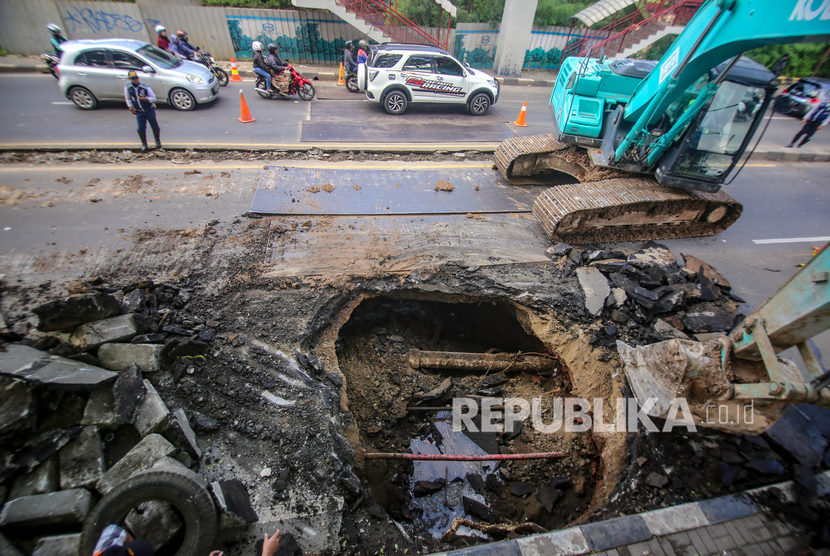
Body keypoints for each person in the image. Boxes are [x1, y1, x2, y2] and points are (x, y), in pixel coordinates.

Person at [124, 70, 161, 152]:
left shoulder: (145, 87)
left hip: (149, 110)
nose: (135, 80)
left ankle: (157, 140)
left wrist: (146, 99)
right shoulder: (128, 87)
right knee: (141, 128)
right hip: (139, 111)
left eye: (136, 78)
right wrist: (130, 106)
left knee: (155, 126)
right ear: (130, 79)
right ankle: (144, 143)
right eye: (133, 78)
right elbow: (128, 98)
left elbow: (154, 98)